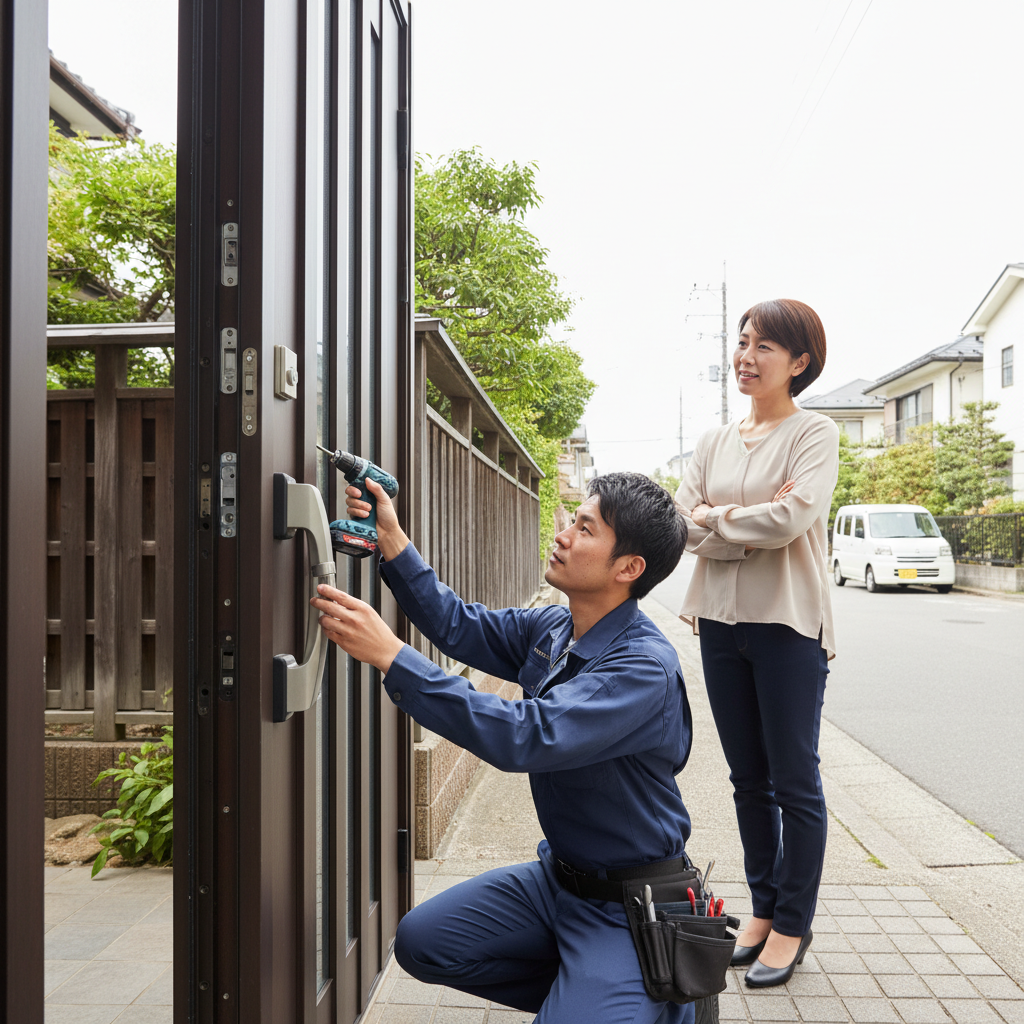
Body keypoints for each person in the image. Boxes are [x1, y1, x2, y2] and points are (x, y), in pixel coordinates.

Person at [311, 472, 696, 1023]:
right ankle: (592, 997)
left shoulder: (642, 668)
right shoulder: (556, 628)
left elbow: (526, 735)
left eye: (585, 528)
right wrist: (392, 540)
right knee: (422, 942)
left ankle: (641, 998)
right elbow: (456, 623)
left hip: (628, 907)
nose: (562, 535)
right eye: (573, 521)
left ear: (628, 568)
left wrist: (392, 656)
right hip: (557, 881)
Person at [674, 298, 839, 989]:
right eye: (743, 341)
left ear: (798, 363)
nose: (746, 354)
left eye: (764, 345)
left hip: (786, 624)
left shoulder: (815, 432)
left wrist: (719, 519)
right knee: (748, 781)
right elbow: (679, 523)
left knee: (794, 780)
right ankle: (763, 911)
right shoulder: (714, 441)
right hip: (718, 621)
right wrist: (728, 521)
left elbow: (793, 517)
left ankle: (793, 925)